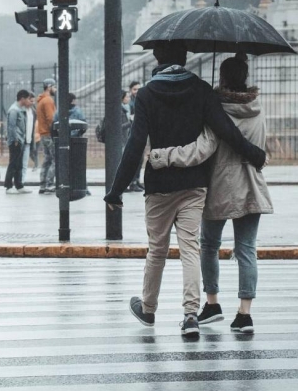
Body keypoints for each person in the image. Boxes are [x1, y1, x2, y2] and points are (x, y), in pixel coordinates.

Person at [103, 41, 267, 338]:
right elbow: (224, 130)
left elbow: (135, 144)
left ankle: (149, 309)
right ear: (185, 56)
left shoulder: (147, 94)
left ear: (156, 58)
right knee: (190, 248)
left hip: (159, 185)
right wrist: (253, 152)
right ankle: (191, 315)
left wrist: (116, 189)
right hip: (195, 184)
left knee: (157, 250)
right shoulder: (202, 90)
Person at [148, 57, 274, 333]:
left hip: (220, 184)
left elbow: (205, 147)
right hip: (252, 185)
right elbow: (260, 145)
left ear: (222, 77)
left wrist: (165, 156)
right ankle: (245, 314)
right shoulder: (257, 107)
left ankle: (213, 303)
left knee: (207, 246)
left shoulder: (216, 109)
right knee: (246, 250)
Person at [5, 90, 34, 194]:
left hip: (21, 140)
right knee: (13, 164)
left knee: (19, 164)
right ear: (22, 98)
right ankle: (8, 186)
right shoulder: (14, 110)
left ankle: (19, 185)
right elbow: (11, 127)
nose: (28, 101)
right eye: (27, 98)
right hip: (15, 141)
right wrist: (16, 140)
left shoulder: (20, 109)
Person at [36, 78, 57, 194]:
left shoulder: (40, 101)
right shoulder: (48, 100)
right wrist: (56, 131)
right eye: (54, 87)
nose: (56, 89)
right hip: (50, 134)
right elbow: (51, 119)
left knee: (46, 160)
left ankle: (42, 184)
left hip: (43, 134)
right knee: (55, 160)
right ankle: (50, 184)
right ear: (49, 87)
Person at [128, 81, 145, 192]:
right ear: (130, 90)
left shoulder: (140, 100)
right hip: (132, 133)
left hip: (140, 132)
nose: (137, 91)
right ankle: (133, 182)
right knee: (134, 159)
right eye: (135, 89)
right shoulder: (129, 102)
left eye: (139, 89)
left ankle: (137, 180)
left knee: (140, 158)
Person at [21, 91, 36, 185]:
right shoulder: (21, 110)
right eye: (31, 100)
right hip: (20, 140)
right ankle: (16, 183)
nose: (32, 102)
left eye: (34, 101)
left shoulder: (33, 112)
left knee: (25, 164)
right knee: (18, 164)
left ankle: (21, 182)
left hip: (28, 140)